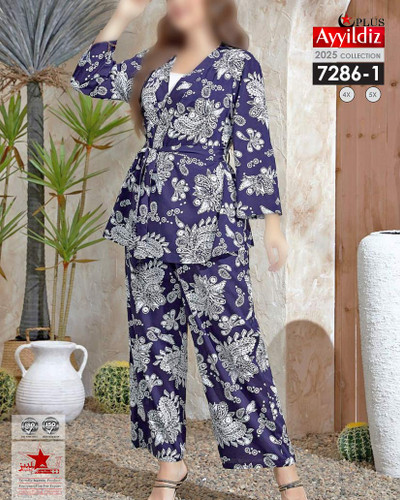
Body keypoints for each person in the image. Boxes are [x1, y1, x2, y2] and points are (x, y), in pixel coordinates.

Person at [71, 1, 307, 499]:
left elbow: (253, 145)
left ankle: (285, 471)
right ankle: (169, 464)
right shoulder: (152, 62)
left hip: (210, 222)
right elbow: (89, 78)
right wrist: (122, 16)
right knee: (153, 345)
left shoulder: (237, 65)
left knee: (235, 345)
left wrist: (272, 224)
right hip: (147, 222)